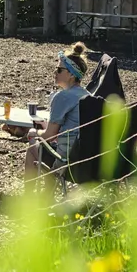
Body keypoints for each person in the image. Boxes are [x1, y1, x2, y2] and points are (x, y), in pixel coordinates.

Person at [25, 41, 91, 181]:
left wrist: (37, 132)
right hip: (86, 162)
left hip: (65, 161)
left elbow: (49, 136)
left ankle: (29, 198)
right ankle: (47, 195)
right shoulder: (88, 96)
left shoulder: (62, 97)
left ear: (71, 75)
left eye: (59, 69)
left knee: (32, 139)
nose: (55, 72)